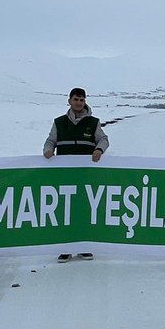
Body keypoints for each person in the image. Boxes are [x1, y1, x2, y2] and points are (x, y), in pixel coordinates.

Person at [43, 87, 109, 262]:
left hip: (86, 175)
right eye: (76, 99)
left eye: (82, 99)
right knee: (65, 210)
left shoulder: (93, 122)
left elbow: (103, 139)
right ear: (69, 101)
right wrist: (48, 150)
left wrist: (99, 149)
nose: (79, 102)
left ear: (85, 101)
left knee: (84, 209)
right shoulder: (59, 122)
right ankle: (65, 248)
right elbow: (51, 140)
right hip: (64, 176)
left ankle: (84, 247)